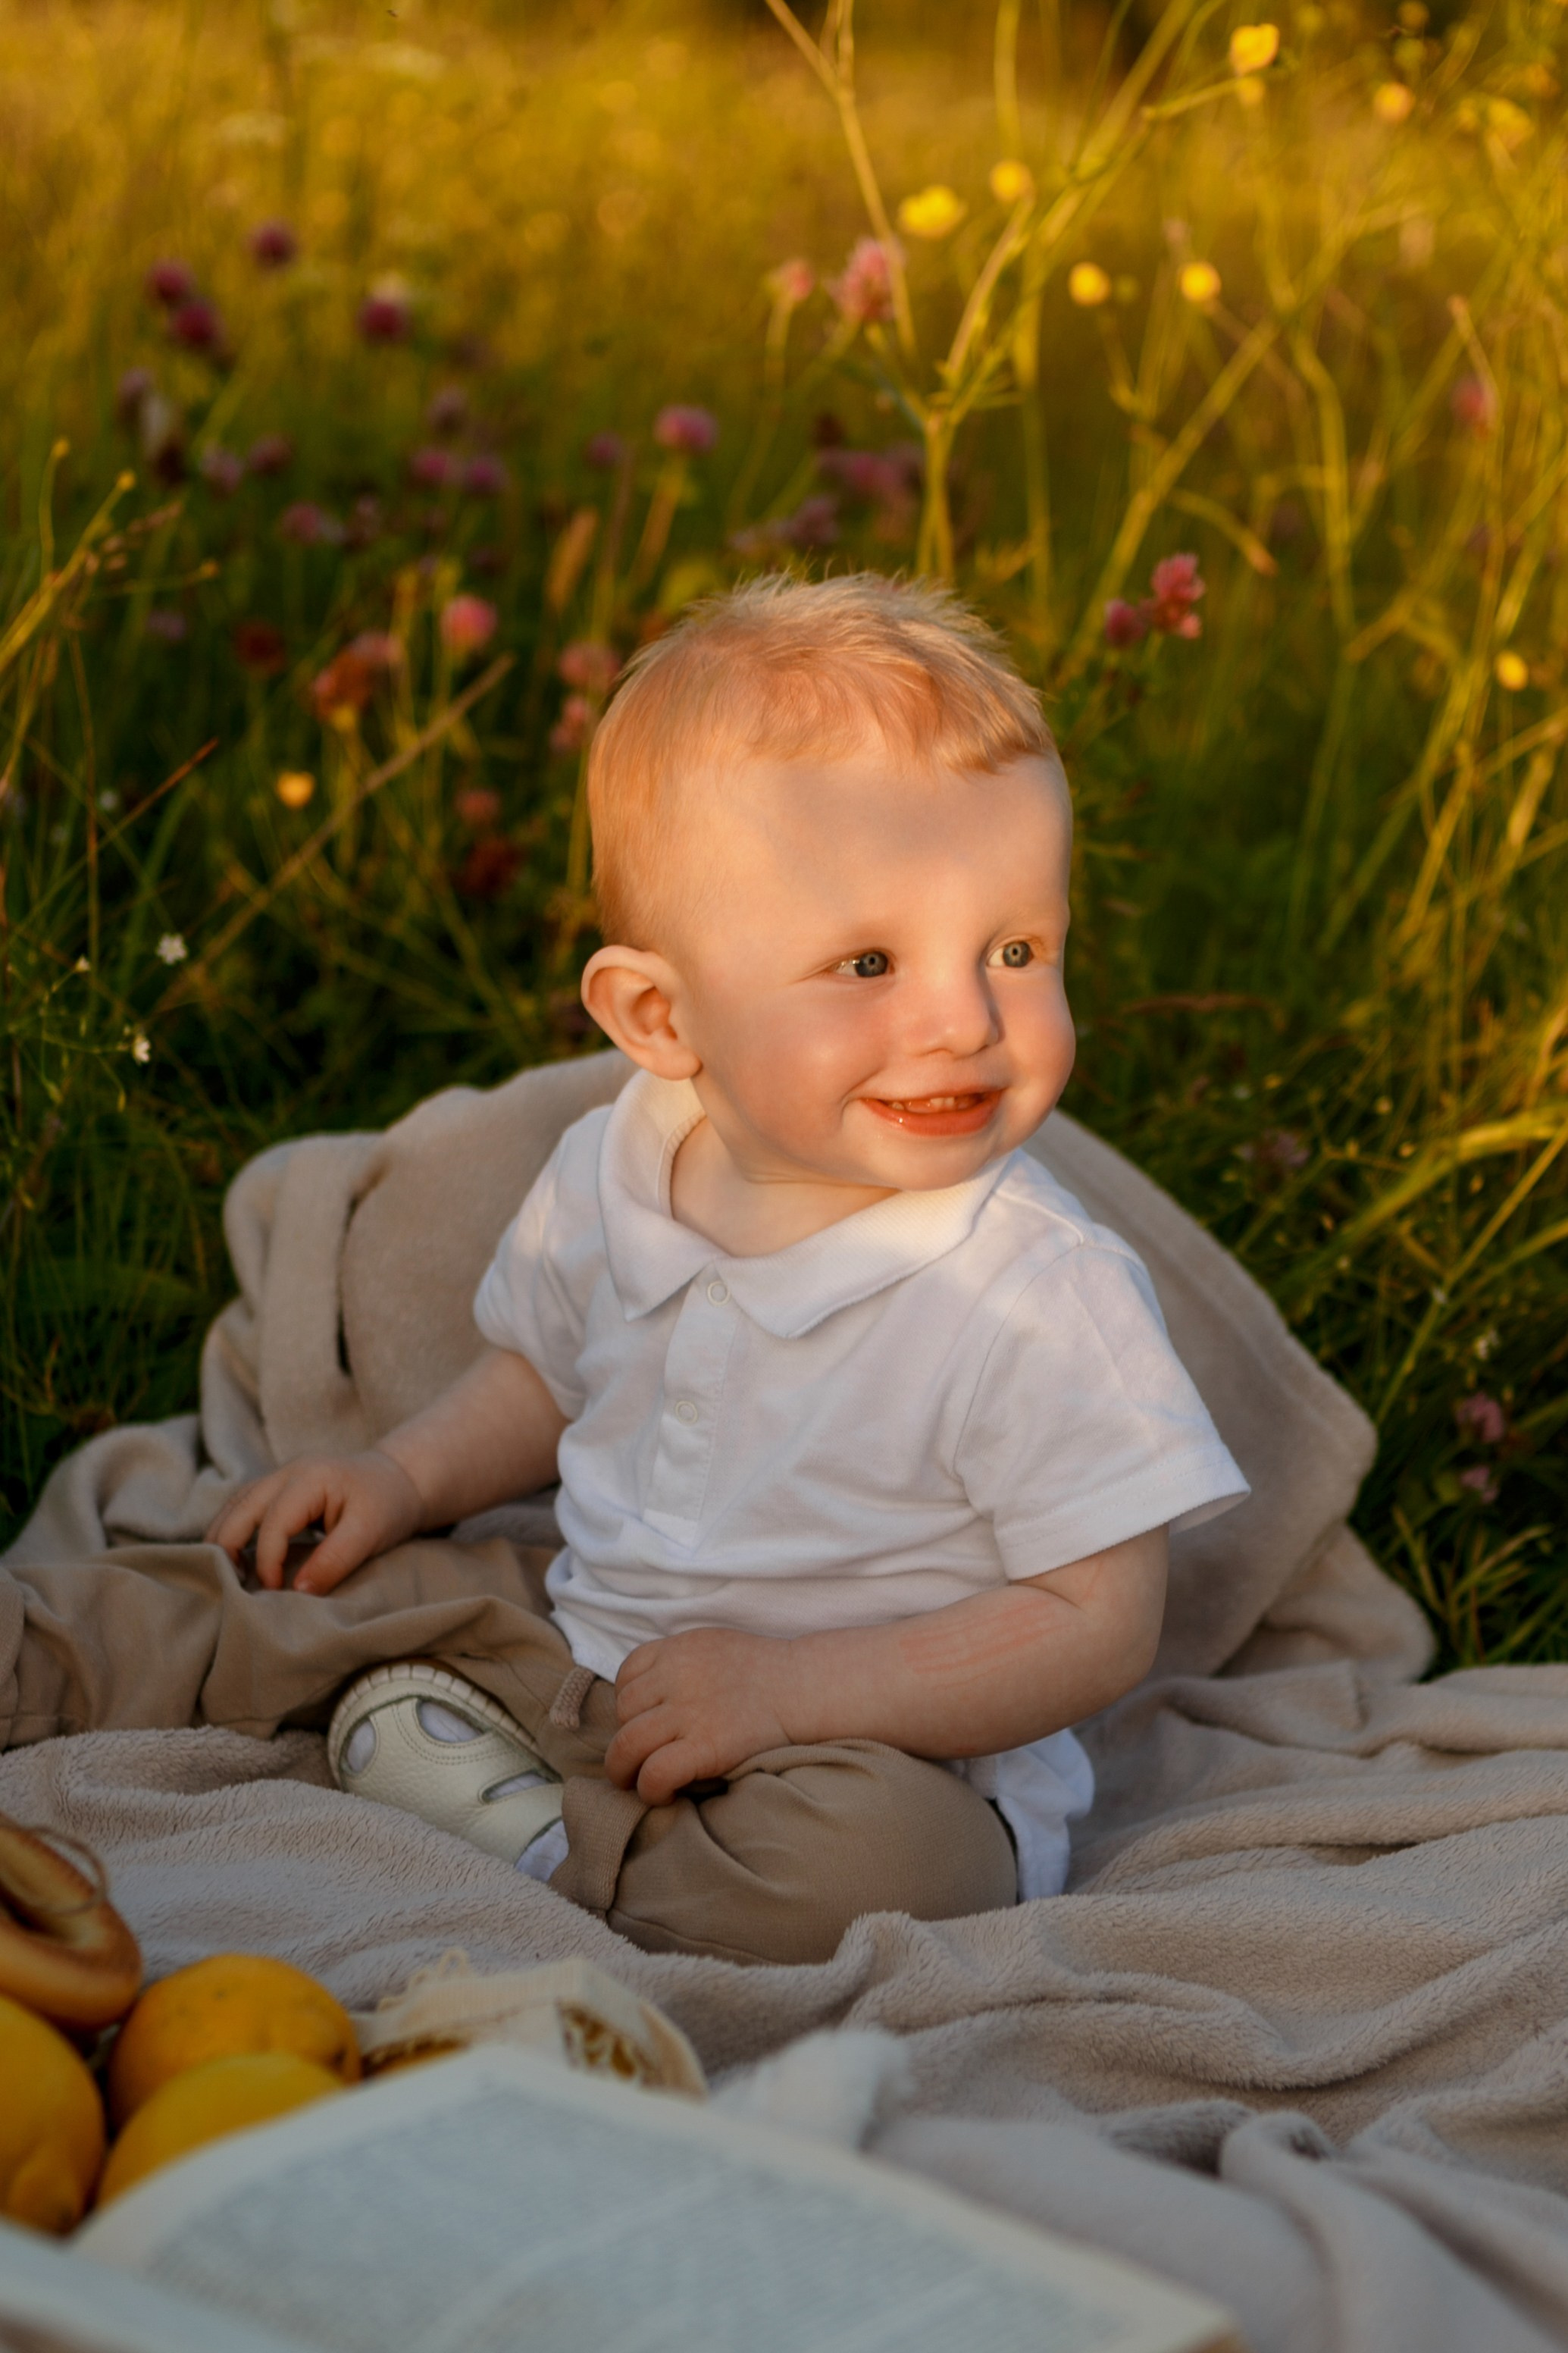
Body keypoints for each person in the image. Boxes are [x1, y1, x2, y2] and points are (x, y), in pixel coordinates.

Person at [207, 573, 1247, 1965]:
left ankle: (527, 1843)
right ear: (658, 1015)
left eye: (1016, 948)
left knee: (888, 1876)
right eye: (868, 959)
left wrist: (791, 1693)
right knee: (301, 1591)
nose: (961, 1022)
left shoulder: (1032, 1292)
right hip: (586, 1653)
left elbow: (1098, 1622)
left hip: (874, 1752)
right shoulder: (619, 1163)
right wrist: (398, 1479)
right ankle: (55, 1661)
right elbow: (542, 1376)